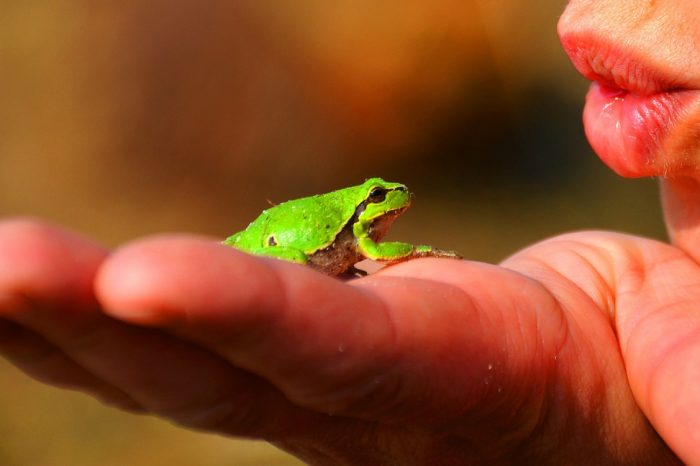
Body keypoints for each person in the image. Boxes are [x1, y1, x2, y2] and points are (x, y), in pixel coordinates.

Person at [1, 0, 698, 463]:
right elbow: (368, 251)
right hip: (288, 250)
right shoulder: (363, 231)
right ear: (367, 205)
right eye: (381, 195)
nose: (579, 8)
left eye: (385, 196)